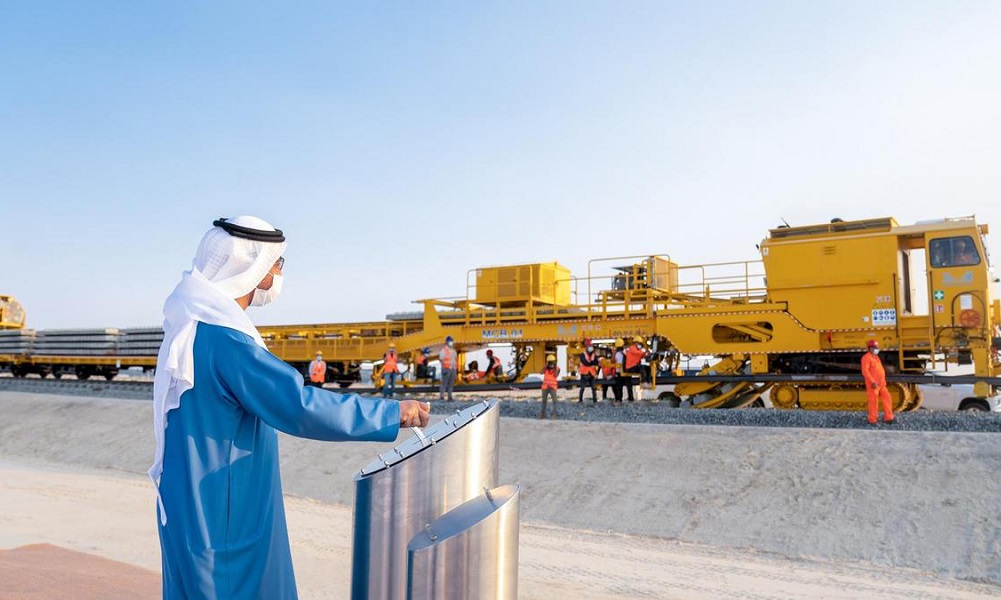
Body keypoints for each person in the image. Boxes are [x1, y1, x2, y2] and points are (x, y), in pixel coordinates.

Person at [150, 216, 430, 599]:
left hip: (187, 502)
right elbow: (299, 405)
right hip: (224, 510)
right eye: (277, 263)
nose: (279, 272)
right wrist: (393, 413)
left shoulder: (190, 327)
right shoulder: (227, 341)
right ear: (254, 267)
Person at [861, 339, 895, 425]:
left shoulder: (876, 357)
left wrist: (883, 382)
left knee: (887, 398)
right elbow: (865, 371)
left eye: (876, 347)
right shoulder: (866, 358)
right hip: (873, 384)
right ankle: (872, 420)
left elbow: (879, 370)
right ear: (869, 348)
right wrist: (872, 381)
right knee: (873, 401)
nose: (876, 349)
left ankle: (889, 418)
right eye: (874, 347)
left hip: (881, 384)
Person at [623, 336, 648, 402]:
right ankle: (643, 381)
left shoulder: (637, 349)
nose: (640, 345)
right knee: (641, 367)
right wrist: (644, 351)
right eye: (639, 343)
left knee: (646, 368)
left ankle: (647, 381)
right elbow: (638, 353)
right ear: (636, 343)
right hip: (630, 367)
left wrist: (646, 354)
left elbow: (641, 355)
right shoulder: (632, 348)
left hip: (633, 367)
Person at [577, 339, 599, 403]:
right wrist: (592, 362)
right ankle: (580, 400)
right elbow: (585, 363)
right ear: (586, 347)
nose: (590, 348)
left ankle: (595, 400)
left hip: (592, 374)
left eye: (591, 346)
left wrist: (591, 363)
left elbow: (596, 362)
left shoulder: (594, 355)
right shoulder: (582, 355)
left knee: (594, 388)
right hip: (584, 374)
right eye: (589, 346)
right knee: (582, 388)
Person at [540, 353, 560, 419]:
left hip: (552, 388)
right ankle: (542, 415)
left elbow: (556, 375)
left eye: (552, 362)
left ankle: (554, 415)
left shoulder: (557, 368)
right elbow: (540, 372)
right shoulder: (546, 368)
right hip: (545, 387)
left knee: (555, 402)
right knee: (544, 402)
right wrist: (545, 365)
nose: (551, 364)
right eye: (550, 362)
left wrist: (554, 367)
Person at [439, 336, 457, 401]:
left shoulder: (453, 351)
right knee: (444, 384)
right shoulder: (443, 351)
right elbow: (441, 359)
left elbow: (454, 360)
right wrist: (444, 368)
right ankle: (442, 397)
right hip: (446, 369)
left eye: (451, 341)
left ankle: (450, 397)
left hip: (452, 369)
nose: (451, 342)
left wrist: (455, 368)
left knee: (451, 384)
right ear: (446, 342)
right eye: (450, 341)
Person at [613, 338, 629, 404]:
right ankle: (630, 399)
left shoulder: (617, 354)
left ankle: (619, 400)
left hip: (620, 372)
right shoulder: (625, 352)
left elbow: (612, 361)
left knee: (619, 387)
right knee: (628, 387)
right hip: (625, 372)